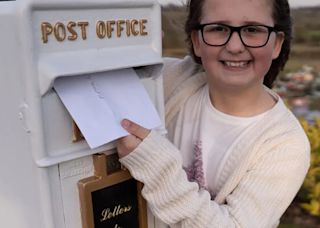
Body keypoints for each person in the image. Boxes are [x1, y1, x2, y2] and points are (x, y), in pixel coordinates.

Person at [116, 0, 310, 227]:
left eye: (253, 30)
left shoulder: (285, 145)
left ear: (277, 44)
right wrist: (129, 54)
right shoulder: (167, 80)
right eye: (218, 28)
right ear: (197, 40)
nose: (235, 46)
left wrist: (157, 167)